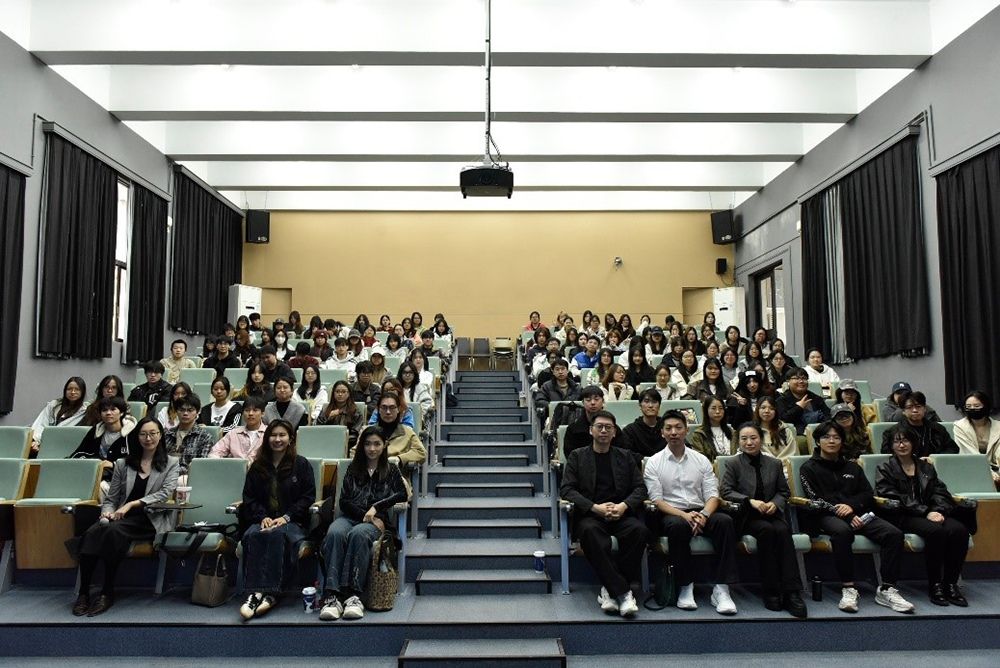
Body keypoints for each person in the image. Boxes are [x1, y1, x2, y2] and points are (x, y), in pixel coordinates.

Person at [799, 421, 914, 614]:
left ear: (842, 441)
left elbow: (867, 494)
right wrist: (845, 513)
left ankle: (887, 588)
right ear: (818, 441)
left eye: (836, 437)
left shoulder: (853, 467)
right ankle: (849, 588)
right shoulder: (808, 468)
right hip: (825, 515)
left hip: (857, 512)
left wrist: (851, 507)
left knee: (893, 534)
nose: (832, 441)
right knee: (843, 532)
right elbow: (815, 498)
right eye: (826, 437)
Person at [71, 417, 179, 617]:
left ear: (160, 435)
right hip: (121, 517)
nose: (148, 438)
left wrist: (132, 504)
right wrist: (106, 512)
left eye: (153, 433)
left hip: (149, 518)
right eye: (143, 434)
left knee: (112, 532)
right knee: (92, 532)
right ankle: (84, 593)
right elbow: (111, 498)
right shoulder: (123, 463)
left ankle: (107, 591)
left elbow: (165, 493)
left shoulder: (171, 463)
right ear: (137, 437)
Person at [644, 410, 739, 614]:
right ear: (662, 432)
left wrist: (703, 515)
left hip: (701, 510)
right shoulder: (654, 462)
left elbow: (713, 495)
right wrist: (685, 515)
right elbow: (657, 500)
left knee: (725, 522)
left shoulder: (701, 460)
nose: (674, 432)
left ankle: (722, 589)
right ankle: (685, 586)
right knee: (677, 527)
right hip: (672, 513)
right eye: (668, 428)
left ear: (686, 430)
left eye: (678, 427)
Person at [560, 410, 648, 618]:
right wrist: (594, 507)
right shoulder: (577, 456)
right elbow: (567, 489)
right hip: (591, 515)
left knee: (640, 531)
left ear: (615, 432)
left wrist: (623, 506)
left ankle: (609, 590)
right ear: (591, 430)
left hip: (620, 513)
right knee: (591, 533)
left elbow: (640, 488)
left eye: (608, 427)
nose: (603, 431)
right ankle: (623, 593)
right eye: (599, 427)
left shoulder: (625, 456)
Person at [875, 424, 973, 606]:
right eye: (897, 441)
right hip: (903, 515)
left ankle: (951, 584)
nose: (901, 445)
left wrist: (938, 510)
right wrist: (926, 512)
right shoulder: (885, 467)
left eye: (905, 440)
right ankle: (935, 584)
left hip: (931, 512)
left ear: (913, 443)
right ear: (891, 445)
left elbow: (940, 492)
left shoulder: (926, 467)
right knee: (936, 532)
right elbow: (892, 496)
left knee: (959, 530)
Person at [317, 426, 408, 621]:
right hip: (351, 516)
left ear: (384, 445)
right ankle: (332, 595)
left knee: (358, 534)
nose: (372, 449)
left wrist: (376, 508)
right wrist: (366, 515)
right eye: (367, 444)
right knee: (334, 532)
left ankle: (353, 595)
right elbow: (344, 501)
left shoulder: (391, 469)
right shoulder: (353, 468)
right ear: (361, 446)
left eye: (376, 444)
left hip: (375, 523)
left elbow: (402, 494)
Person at [721, 423, 808, 618]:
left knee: (783, 531)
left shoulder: (774, 463)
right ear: (738, 441)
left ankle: (792, 592)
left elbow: (783, 492)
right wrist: (749, 501)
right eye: (744, 439)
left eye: (753, 438)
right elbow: (726, 491)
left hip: (771, 512)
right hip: (747, 516)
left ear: (761, 439)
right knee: (766, 531)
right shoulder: (733, 463)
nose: (749, 442)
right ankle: (771, 590)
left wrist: (775, 504)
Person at [238, 419, 316, 620]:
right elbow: (249, 497)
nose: (277, 439)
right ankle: (254, 594)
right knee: (253, 535)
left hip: (292, 521)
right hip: (263, 520)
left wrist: (286, 517)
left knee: (278, 535)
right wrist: (262, 516)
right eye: (273, 435)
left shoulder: (301, 464)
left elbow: (308, 497)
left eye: (282, 435)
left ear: (290, 439)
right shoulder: (258, 466)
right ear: (267, 438)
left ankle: (271, 593)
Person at [70, 396, 137, 483]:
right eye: (104, 410)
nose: (108, 413)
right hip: (95, 473)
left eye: (113, 409)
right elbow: (79, 452)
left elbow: (138, 460)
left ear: (121, 413)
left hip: (122, 478)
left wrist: (113, 465)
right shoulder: (96, 431)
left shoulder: (132, 433)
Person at [880, 391, 958, 458]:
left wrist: (934, 459)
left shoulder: (937, 429)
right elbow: (888, 455)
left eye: (918, 406)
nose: (915, 410)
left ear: (924, 409)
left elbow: (953, 449)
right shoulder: (892, 432)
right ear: (903, 411)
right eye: (910, 407)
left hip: (935, 467)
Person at [30, 376, 88, 454]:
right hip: (42, 444)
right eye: (69, 389)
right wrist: (36, 442)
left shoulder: (85, 411)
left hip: (64, 448)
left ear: (82, 392)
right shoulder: (54, 405)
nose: (73, 392)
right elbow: (41, 424)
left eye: (77, 389)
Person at [953, 391, 1000, 485]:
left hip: (996, 468)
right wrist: (989, 473)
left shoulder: (998, 427)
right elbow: (969, 453)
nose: (972, 409)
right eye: (968, 406)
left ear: (986, 406)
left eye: (977, 406)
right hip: (971, 468)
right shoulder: (959, 426)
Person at [368, 391, 426, 466]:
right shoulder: (368, 431)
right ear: (378, 409)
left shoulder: (407, 432)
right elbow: (355, 452)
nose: (388, 412)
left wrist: (400, 458)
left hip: (396, 470)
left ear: (398, 409)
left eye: (392, 407)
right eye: (384, 407)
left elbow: (421, 452)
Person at [163, 394, 215, 474]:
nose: (185, 413)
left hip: (188, 476)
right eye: (181, 410)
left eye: (190, 410)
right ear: (176, 411)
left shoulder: (205, 437)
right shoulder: (167, 434)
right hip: (163, 474)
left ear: (197, 412)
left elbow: (200, 466)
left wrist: (172, 472)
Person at [564, 386, 623, 457]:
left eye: (596, 399)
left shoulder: (612, 428)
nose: (592, 403)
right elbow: (571, 456)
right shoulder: (573, 429)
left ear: (603, 401)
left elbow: (621, 453)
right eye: (588, 400)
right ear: (583, 402)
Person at [776, 367, 830, 435]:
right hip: (794, 435)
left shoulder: (815, 398)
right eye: (796, 378)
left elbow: (827, 415)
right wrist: (799, 408)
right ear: (788, 381)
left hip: (819, 432)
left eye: (804, 378)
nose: (801, 381)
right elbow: (783, 420)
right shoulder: (781, 400)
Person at [315, 380, 366, 448]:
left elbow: (356, 433)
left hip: (348, 444)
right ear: (333, 393)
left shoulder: (355, 411)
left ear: (348, 394)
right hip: (325, 442)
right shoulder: (326, 409)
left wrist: (341, 440)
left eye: (343, 392)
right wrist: (329, 419)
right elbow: (318, 429)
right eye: (337, 391)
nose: (340, 394)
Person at [620, 388, 666, 461]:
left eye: (654, 402)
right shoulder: (630, 430)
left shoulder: (668, 428)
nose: (650, 405)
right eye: (646, 401)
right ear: (640, 405)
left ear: (659, 405)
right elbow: (625, 453)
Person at [688, 396, 733, 463]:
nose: (717, 411)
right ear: (706, 410)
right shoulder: (699, 434)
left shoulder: (732, 432)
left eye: (721, 408)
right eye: (713, 408)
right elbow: (700, 460)